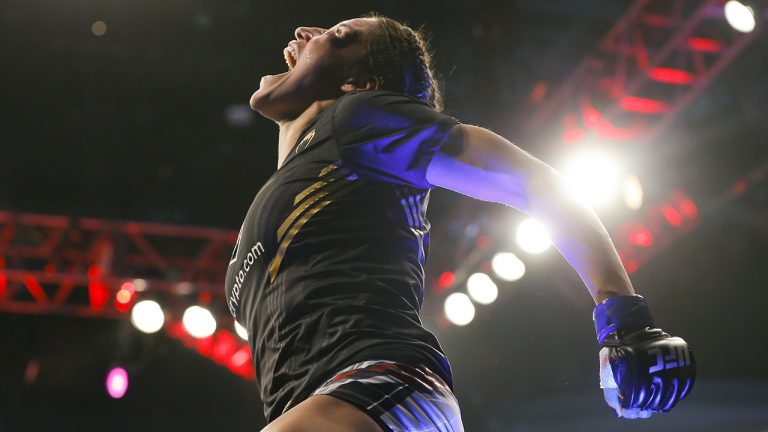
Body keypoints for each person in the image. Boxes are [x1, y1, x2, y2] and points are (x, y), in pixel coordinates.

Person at [225, 14, 696, 432]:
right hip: (327, 404)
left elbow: (531, 182)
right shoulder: (290, 190)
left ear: (359, 83)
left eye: (338, 34)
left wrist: (624, 319)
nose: (305, 32)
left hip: (381, 387)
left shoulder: (358, 120)